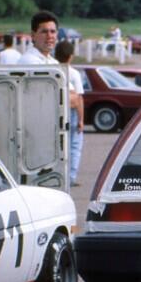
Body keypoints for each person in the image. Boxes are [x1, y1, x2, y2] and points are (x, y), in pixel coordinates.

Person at [55, 41, 85, 187]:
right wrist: (81, 119)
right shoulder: (74, 73)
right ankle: (71, 176)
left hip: (55, 111)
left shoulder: (53, 70)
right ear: (71, 56)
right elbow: (79, 98)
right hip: (71, 111)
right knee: (74, 145)